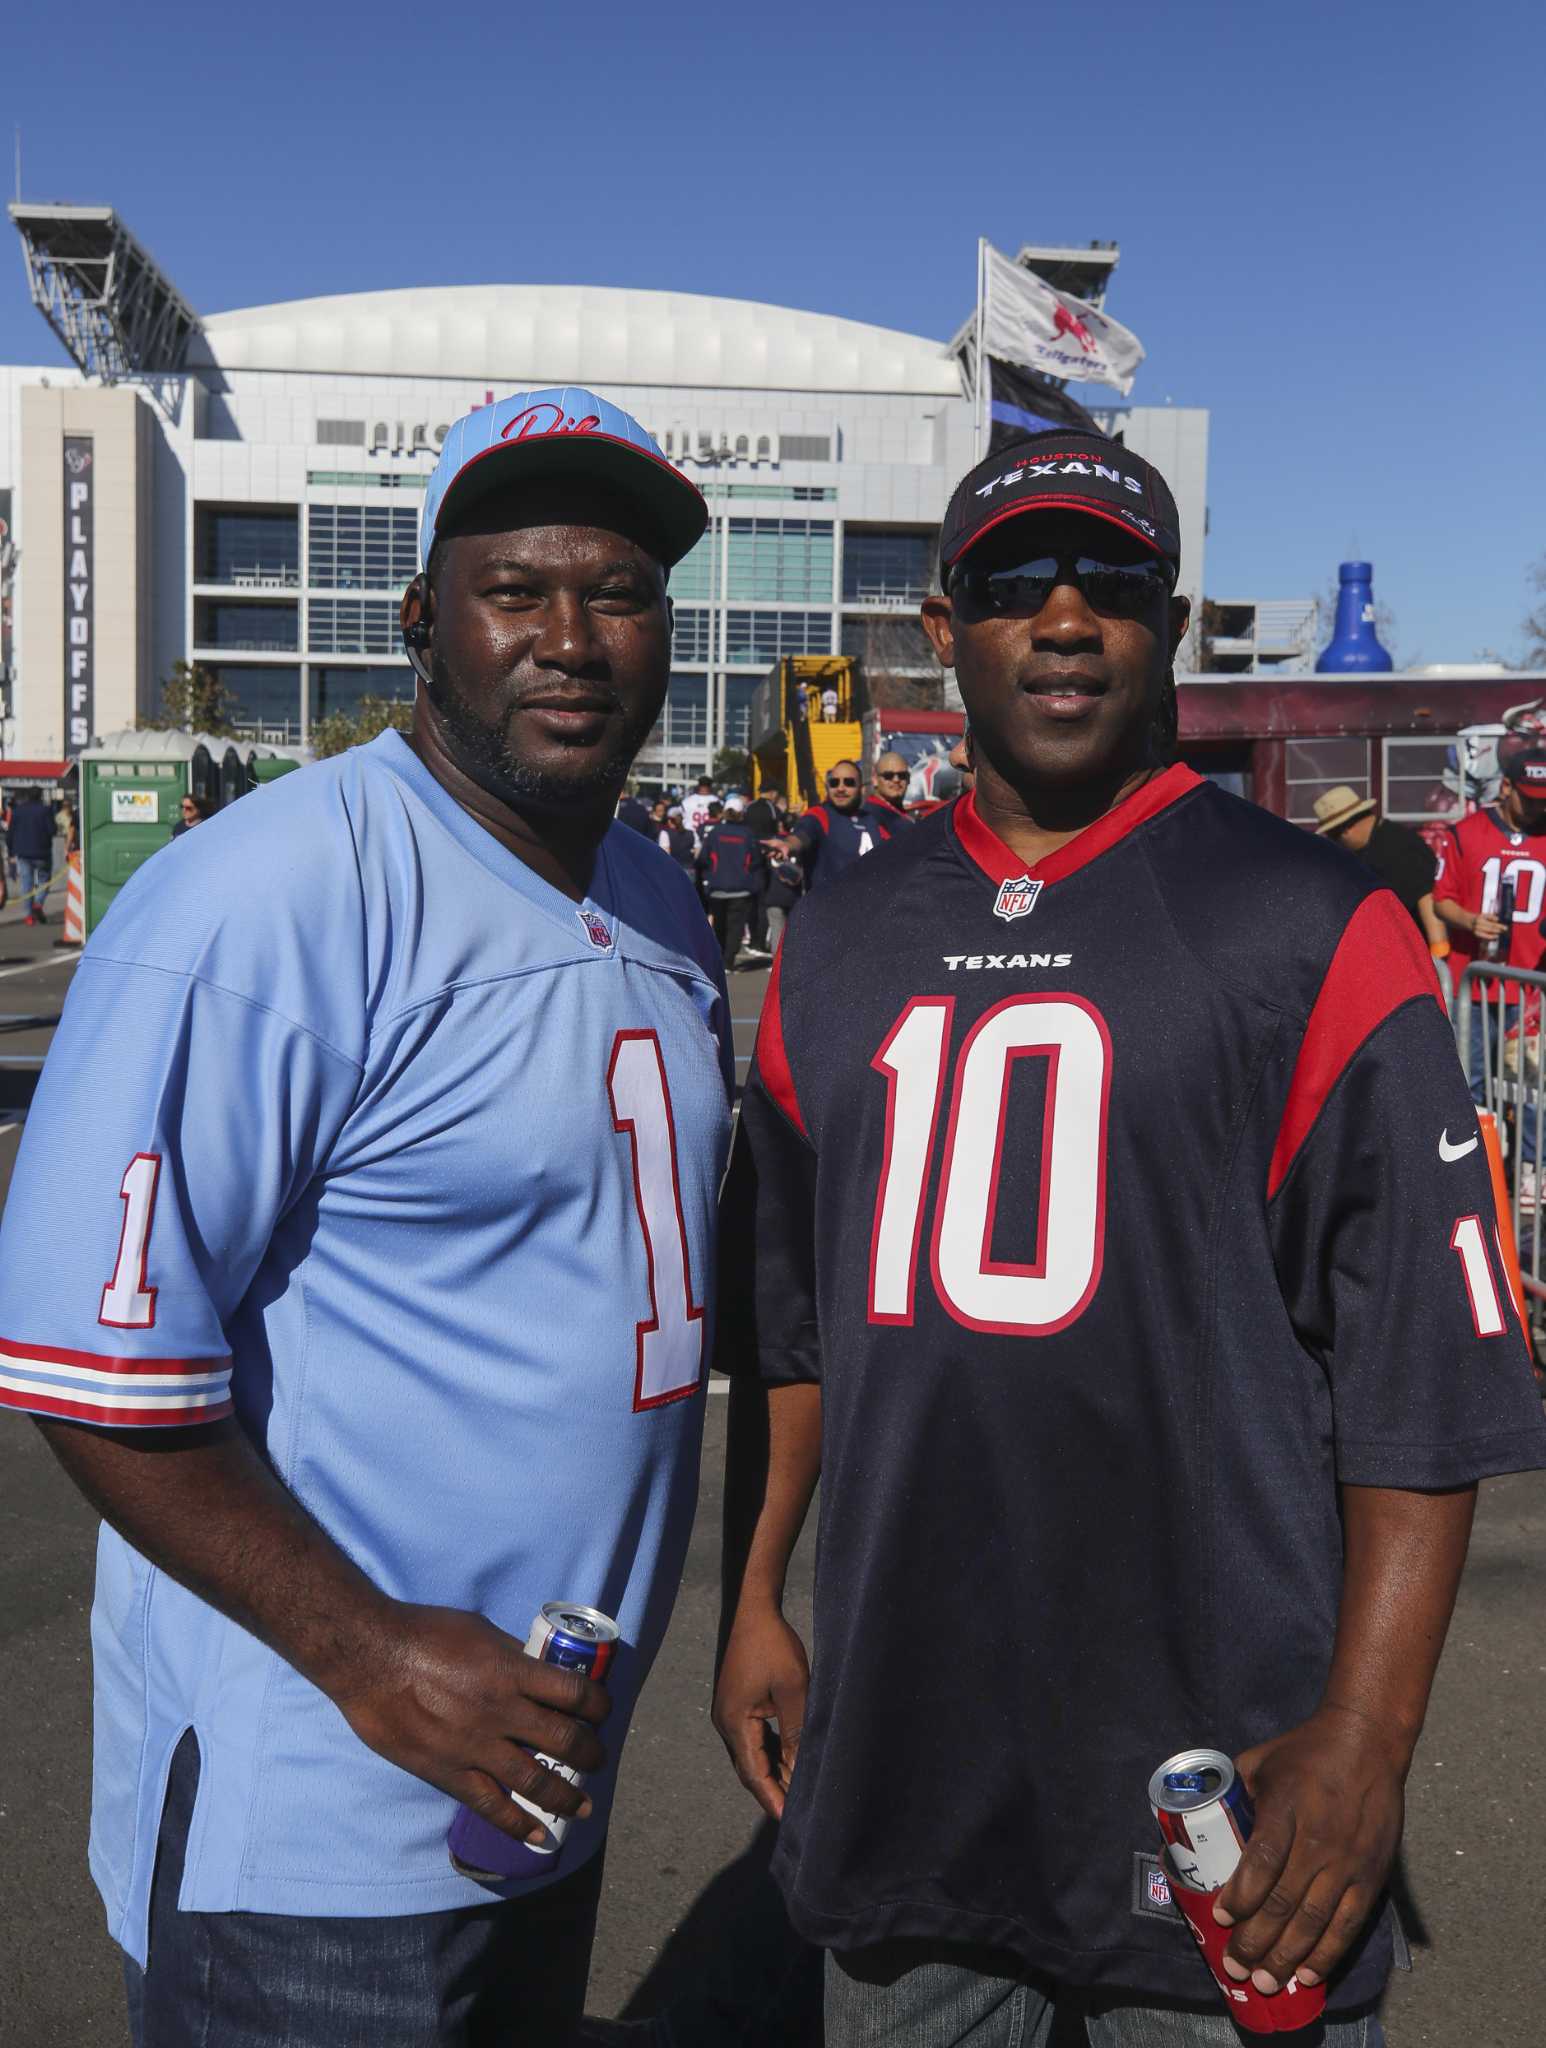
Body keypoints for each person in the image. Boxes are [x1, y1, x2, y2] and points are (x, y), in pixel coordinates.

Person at [712, 429, 1546, 2048]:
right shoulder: (838, 936)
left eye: (1113, 582)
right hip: (915, 1782)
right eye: (1015, 582)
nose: (1067, 615)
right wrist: (754, 1592)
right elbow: (796, 1328)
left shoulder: (1312, 920)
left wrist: (1367, 1731)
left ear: (1171, 626)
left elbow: (1423, 1374)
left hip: (1227, 1808)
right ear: (945, 630)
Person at [0, 386, 735, 2048]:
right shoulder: (263, 894)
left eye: (617, 593)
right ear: (422, 618)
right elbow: (93, 1370)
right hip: (321, 1819)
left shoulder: (658, 893)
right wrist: (375, 1656)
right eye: (516, 588)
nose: (572, 636)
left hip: (539, 1772)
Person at [1432, 738, 1546, 1183]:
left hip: (1530, 988)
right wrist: (1470, 921)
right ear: (1506, 788)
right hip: (1475, 987)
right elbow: (1442, 900)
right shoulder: (1466, 833)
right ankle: (1475, 1176)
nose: (1538, 810)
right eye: (1530, 800)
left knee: (1531, 1085)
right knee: (1471, 1083)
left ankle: (1532, 1173)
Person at [1313, 786, 1445, 950]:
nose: (1335, 843)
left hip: (1413, 955)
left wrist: (1439, 955)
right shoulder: (1368, 848)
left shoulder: (1402, 846)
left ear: (1345, 830)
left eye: (1333, 836)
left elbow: (1428, 900)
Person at [780, 761, 894, 894]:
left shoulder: (872, 821)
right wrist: (787, 845)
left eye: (849, 783)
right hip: (827, 908)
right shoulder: (820, 815)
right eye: (834, 783)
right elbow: (802, 836)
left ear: (862, 789)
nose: (840, 788)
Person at [696, 802, 766, 970]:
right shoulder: (747, 834)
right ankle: (728, 961)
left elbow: (703, 859)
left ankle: (721, 959)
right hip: (741, 888)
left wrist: (709, 876)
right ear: (741, 813)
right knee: (736, 927)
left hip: (718, 887)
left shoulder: (715, 833)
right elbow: (756, 860)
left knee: (719, 925)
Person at [9, 784, 55, 924]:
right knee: (44, 880)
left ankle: (29, 916)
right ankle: (38, 903)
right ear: (40, 796)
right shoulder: (45, 810)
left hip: (23, 853)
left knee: (26, 884)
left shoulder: (17, 811)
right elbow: (52, 830)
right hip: (42, 852)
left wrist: (11, 851)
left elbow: (10, 833)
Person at [868, 750, 914, 821]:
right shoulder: (867, 816)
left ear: (908, 779)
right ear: (875, 780)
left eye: (902, 775)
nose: (896, 780)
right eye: (888, 776)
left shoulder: (910, 815)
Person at [659, 804, 697, 874]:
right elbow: (697, 851)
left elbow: (665, 854)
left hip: (673, 870)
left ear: (669, 820)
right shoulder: (691, 833)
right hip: (690, 869)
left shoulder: (665, 834)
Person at [681, 776, 716, 840]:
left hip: (691, 837)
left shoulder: (687, 801)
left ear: (699, 786)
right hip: (710, 837)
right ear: (710, 786)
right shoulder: (717, 801)